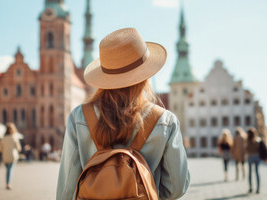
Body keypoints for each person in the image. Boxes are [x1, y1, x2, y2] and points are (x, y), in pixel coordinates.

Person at [56, 28, 190, 200]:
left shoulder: (79, 117)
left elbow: (67, 188)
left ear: (104, 76)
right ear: (145, 75)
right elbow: (177, 186)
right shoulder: (165, 121)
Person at [0, 123, 21, 190]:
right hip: (12, 156)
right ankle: (8, 183)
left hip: (5, 156)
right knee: (10, 170)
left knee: (8, 170)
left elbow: (0, 149)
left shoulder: (3, 138)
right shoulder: (14, 137)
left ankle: (7, 183)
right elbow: (19, 148)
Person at [246, 127, 266, 194]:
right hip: (257, 157)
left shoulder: (247, 140)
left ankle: (251, 188)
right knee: (257, 172)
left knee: (250, 173)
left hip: (250, 156)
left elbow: (246, 149)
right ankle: (258, 189)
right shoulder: (258, 139)